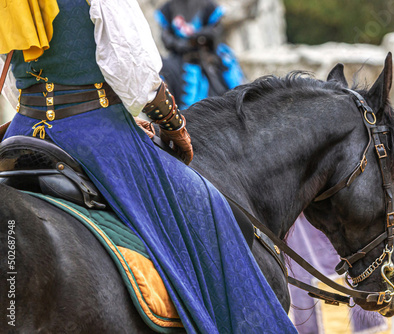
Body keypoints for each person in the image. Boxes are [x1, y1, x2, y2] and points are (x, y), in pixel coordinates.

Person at [0, 1, 297, 333]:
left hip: (24, 131)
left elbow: (12, 74)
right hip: (93, 135)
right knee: (208, 205)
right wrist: (173, 124)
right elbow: (133, 69)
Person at [155, 0, 245, 109]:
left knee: (224, 72)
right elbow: (166, 37)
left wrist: (199, 36)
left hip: (207, 52)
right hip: (180, 57)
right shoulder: (167, 9)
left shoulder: (208, 4)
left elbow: (216, 30)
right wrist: (180, 44)